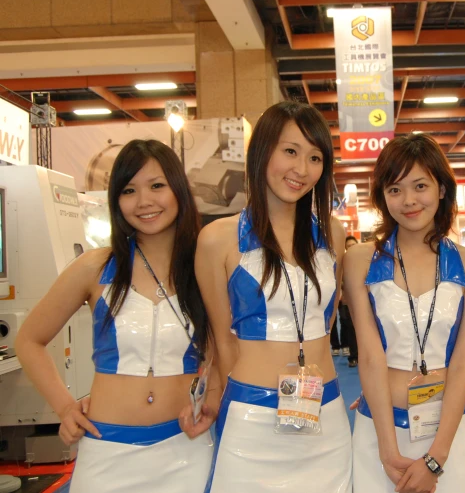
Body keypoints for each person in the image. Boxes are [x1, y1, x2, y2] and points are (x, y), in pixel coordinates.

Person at [15, 139, 214, 492]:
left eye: (157, 186)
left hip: (185, 447)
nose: (144, 202)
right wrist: (64, 407)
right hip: (107, 450)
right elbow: (29, 340)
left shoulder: (204, 265)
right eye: (129, 190)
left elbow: (226, 346)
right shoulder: (96, 267)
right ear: (116, 200)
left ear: (178, 190)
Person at [197, 101, 351, 492]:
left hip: (325, 415)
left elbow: (326, 318)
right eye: (290, 151)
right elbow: (219, 337)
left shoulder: (331, 233)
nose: (301, 169)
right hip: (251, 420)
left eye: (315, 157)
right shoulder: (218, 239)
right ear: (262, 151)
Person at [344, 133, 465, 493]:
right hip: (380, 432)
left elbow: (462, 361)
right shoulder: (360, 260)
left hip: (447, 434)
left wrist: (435, 459)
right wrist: (387, 451)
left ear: (441, 189)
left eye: (420, 185)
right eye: (394, 189)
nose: (408, 201)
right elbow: (371, 357)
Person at [332, 236, 359, 365]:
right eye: (349, 246)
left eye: (354, 245)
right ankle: (352, 355)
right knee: (347, 325)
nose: (352, 248)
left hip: (361, 300)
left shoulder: (364, 261)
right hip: (345, 299)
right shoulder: (342, 261)